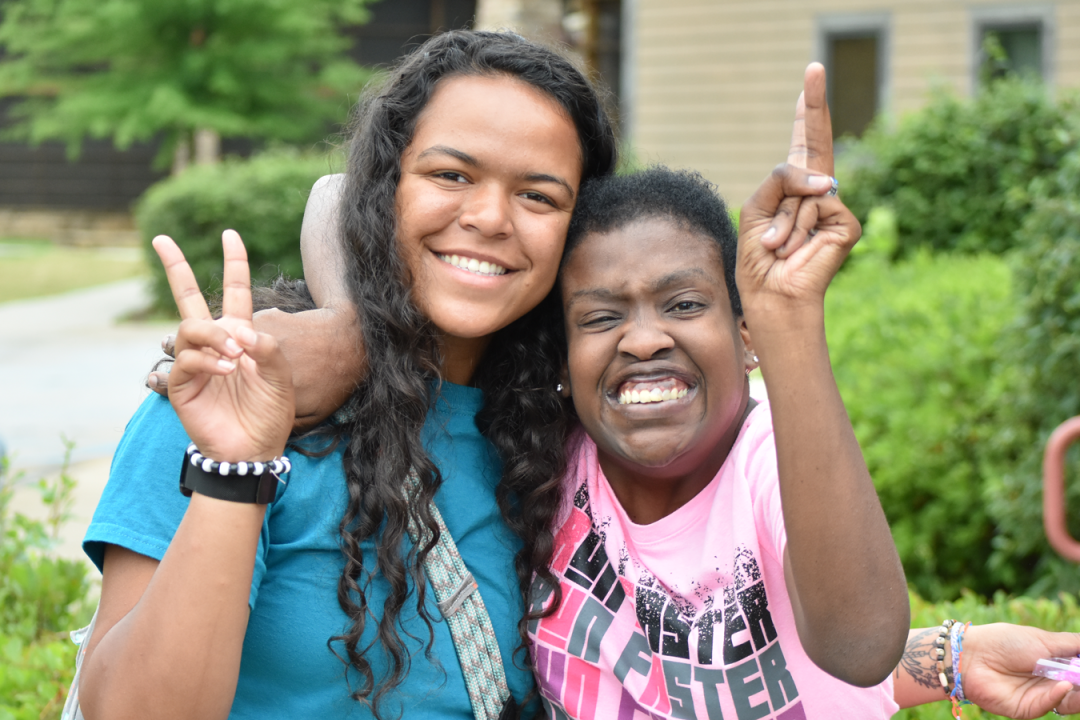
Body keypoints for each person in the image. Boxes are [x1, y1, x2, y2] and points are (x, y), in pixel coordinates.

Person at [76, 30, 616, 720]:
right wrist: (234, 472)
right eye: (451, 175)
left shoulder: (567, 438)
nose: (488, 218)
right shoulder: (232, 401)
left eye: (539, 196)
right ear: (384, 186)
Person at [528, 159, 1080, 718]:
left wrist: (789, 321)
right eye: (599, 317)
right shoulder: (545, 463)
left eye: (685, 304)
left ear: (748, 338)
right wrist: (949, 658)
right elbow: (738, 673)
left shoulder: (775, 460)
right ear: (563, 359)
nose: (643, 340)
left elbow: (857, 646)